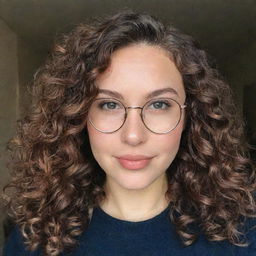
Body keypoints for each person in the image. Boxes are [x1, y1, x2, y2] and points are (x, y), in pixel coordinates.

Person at [3, 10, 256, 256]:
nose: (133, 136)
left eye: (159, 104)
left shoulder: (244, 233)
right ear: (78, 116)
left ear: (190, 116)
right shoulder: (33, 240)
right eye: (109, 105)